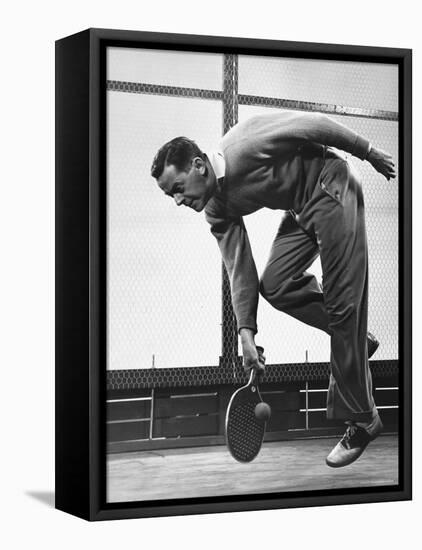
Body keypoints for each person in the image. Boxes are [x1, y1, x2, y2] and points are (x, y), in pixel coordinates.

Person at [151, 111, 396, 468]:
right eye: (169, 195)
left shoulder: (245, 143)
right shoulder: (215, 209)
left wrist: (367, 150)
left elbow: (314, 124)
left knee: (344, 309)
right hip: (299, 211)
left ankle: (363, 420)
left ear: (199, 165)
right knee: (277, 284)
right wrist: (246, 334)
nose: (177, 200)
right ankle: (358, 340)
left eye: (177, 188)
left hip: (331, 186)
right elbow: (239, 267)